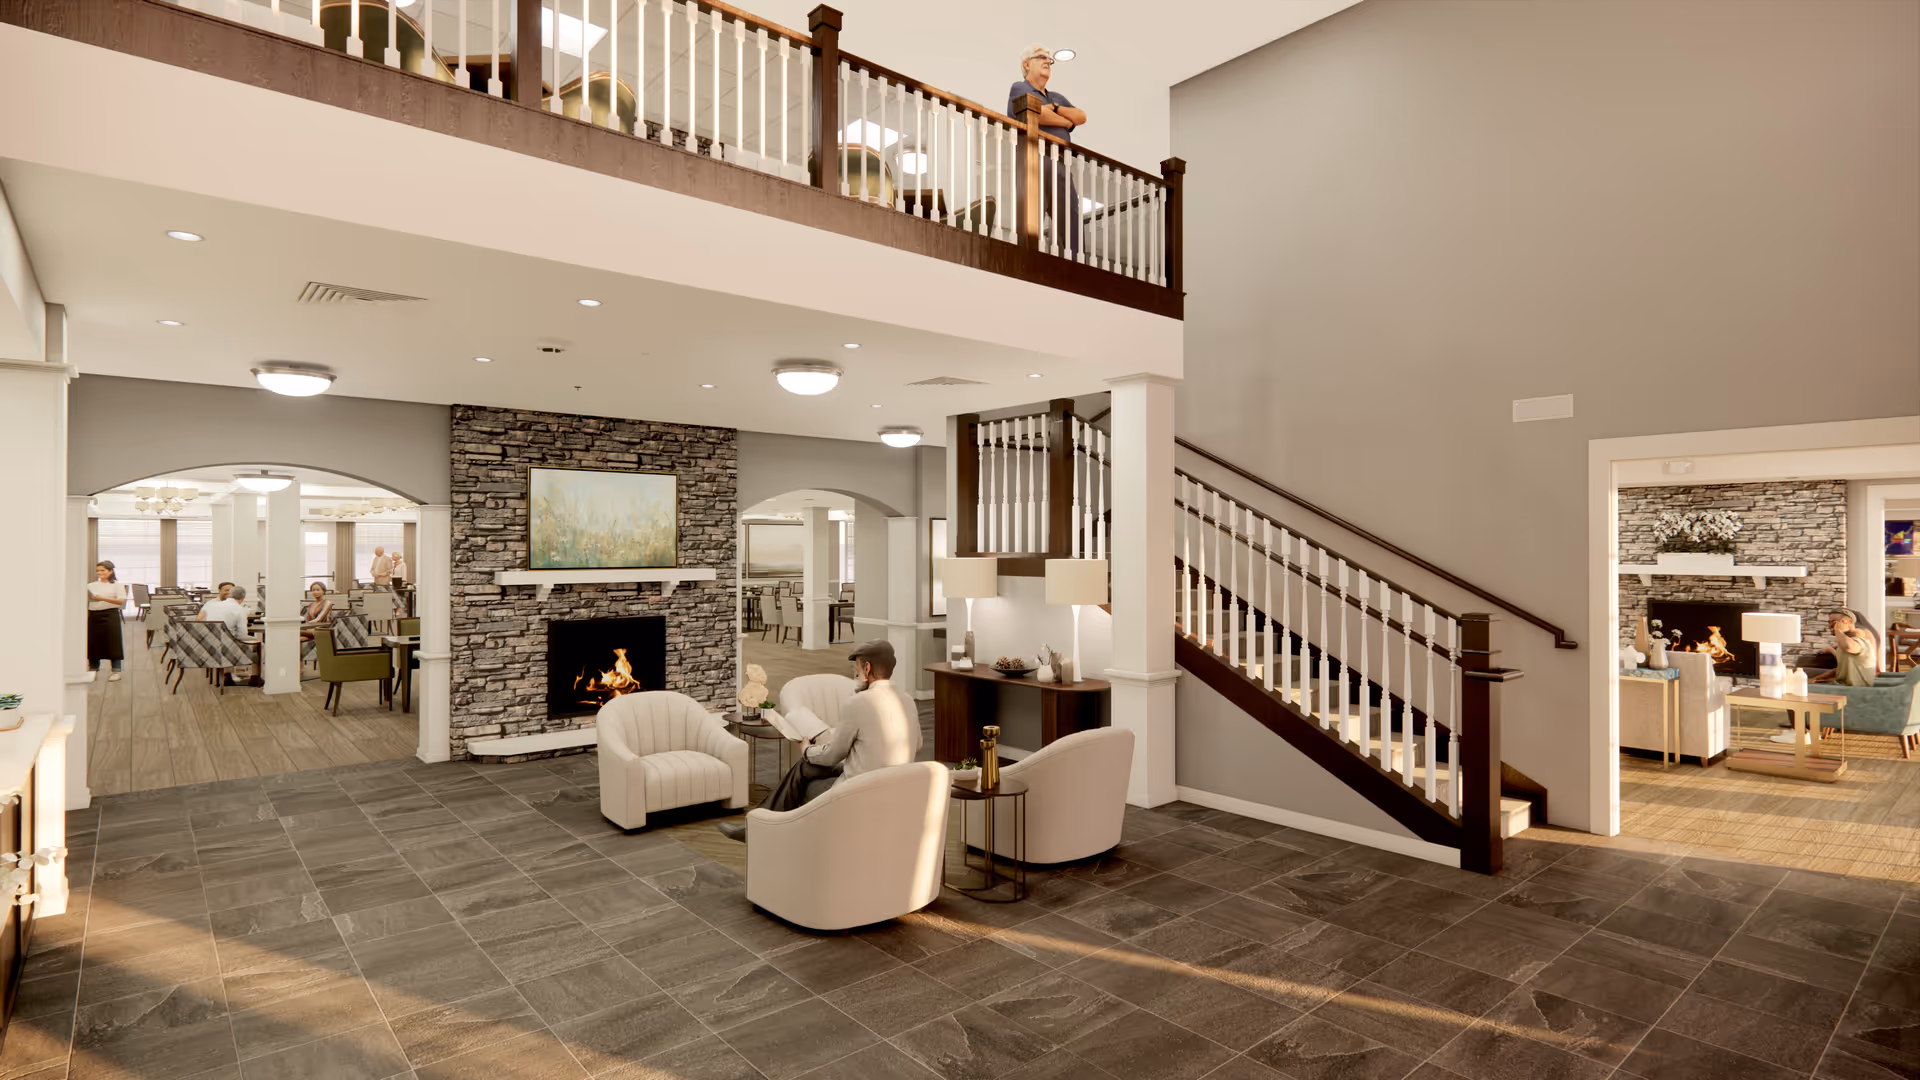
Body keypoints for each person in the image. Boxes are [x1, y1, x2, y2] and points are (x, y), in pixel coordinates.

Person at [718, 640, 921, 841]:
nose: (856, 674)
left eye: (857, 669)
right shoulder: (907, 700)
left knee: (803, 772)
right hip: (893, 785)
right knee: (804, 768)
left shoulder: (858, 703)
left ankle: (759, 829)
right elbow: (918, 743)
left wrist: (806, 749)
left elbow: (832, 755)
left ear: (867, 668)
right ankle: (760, 826)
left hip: (857, 791)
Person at [1009, 45, 1088, 256]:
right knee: (1033, 212)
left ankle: (1076, 262)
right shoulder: (1019, 88)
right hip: (1035, 157)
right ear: (1027, 65)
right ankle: (1029, 258)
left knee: (1070, 213)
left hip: (1060, 161)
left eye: (1049, 59)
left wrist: (1054, 108)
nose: (1047, 61)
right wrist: (1064, 120)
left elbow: (1081, 117)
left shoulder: (1056, 97)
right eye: (1041, 57)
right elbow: (1034, 113)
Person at [199, 585, 257, 685]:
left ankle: (227, 675)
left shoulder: (213, 606)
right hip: (228, 646)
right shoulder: (240, 609)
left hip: (210, 644)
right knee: (260, 646)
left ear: (230, 595)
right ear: (243, 597)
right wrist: (253, 638)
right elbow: (242, 634)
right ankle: (255, 677)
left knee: (227, 640)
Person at [1811, 608, 1880, 687]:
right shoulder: (1848, 642)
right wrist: (1817, 678)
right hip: (1843, 684)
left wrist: (1838, 630)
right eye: (1829, 622)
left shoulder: (1860, 642)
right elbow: (1842, 668)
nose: (1830, 626)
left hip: (1852, 688)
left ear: (1849, 623)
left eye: (1834, 622)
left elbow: (1848, 646)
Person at [86, 561, 128, 682]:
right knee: (93, 642)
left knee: (113, 642)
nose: (99, 573)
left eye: (102, 570)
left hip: (111, 615)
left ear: (110, 572)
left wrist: (102, 598)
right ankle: (93, 668)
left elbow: (121, 601)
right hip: (94, 615)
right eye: (98, 570)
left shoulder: (118, 585)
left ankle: (116, 670)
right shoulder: (90, 586)